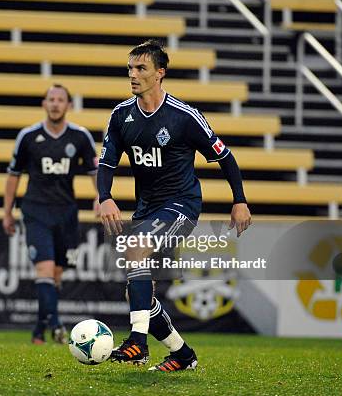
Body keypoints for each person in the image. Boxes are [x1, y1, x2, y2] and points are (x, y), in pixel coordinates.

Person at [97, 39, 251, 371]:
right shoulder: (121, 114)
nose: (133, 75)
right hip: (147, 208)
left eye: (141, 69)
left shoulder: (184, 117)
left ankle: (137, 343)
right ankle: (182, 354)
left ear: (160, 73)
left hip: (181, 204)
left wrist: (239, 200)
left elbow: (225, 157)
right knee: (139, 295)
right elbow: (107, 162)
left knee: (136, 249)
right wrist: (105, 196)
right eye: (130, 69)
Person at [3, 84, 100, 345]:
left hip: (66, 212)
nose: (56, 104)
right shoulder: (28, 136)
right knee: (44, 268)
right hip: (35, 210)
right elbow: (13, 175)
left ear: (69, 105)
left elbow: (95, 172)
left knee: (56, 275)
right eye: (51, 99)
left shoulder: (80, 137)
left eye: (61, 100)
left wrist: (102, 196)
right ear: (44, 104)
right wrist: (7, 212)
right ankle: (57, 326)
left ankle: (39, 328)